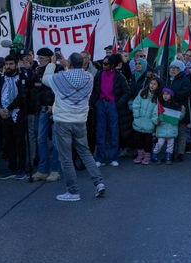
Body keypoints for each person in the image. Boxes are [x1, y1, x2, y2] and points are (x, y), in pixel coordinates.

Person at [42, 52, 105, 201]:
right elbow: (73, 75)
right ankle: (99, 183)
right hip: (80, 121)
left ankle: (73, 191)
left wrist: (52, 63)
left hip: (63, 121)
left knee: (66, 158)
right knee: (85, 153)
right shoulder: (89, 77)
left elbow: (45, 79)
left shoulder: (60, 77)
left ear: (69, 64)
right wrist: (67, 64)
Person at [90, 54, 131, 167]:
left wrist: (117, 104)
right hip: (100, 105)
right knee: (100, 132)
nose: (103, 65)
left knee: (114, 132)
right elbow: (93, 90)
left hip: (113, 105)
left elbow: (127, 92)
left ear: (112, 65)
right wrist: (95, 103)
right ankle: (100, 159)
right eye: (103, 63)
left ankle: (113, 158)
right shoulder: (98, 75)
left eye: (106, 63)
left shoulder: (120, 76)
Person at [31, 48, 63, 182]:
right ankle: (42, 170)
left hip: (55, 110)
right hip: (42, 109)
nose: (39, 60)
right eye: (38, 58)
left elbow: (61, 89)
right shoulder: (38, 70)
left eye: (42, 58)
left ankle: (55, 170)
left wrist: (54, 104)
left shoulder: (59, 69)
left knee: (56, 141)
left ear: (50, 58)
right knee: (41, 140)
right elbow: (34, 87)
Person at [0, 55, 30, 180]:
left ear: (16, 65)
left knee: (19, 141)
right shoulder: (1, 79)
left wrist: (9, 109)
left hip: (18, 114)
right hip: (4, 115)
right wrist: (0, 110)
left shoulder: (21, 78)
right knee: (8, 142)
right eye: (7, 64)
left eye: (11, 64)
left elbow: (22, 96)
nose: (8, 67)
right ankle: (11, 168)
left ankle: (21, 168)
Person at [152, 88, 186, 165]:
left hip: (172, 129)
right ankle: (154, 156)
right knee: (160, 144)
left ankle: (168, 158)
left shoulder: (175, 106)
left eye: (167, 94)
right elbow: (154, 115)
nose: (165, 96)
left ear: (171, 95)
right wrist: (156, 120)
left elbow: (179, 117)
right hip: (162, 129)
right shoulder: (159, 105)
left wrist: (182, 111)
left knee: (171, 144)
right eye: (164, 94)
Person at [132, 76, 161, 165]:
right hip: (139, 120)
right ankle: (140, 155)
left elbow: (157, 110)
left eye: (154, 84)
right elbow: (136, 104)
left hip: (149, 122)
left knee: (148, 140)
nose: (152, 86)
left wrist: (154, 119)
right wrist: (136, 114)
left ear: (158, 86)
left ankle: (147, 156)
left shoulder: (157, 98)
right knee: (138, 139)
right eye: (151, 83)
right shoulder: (142, 93)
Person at [167, 60, 191, 162]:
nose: (173, 69)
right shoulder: (167, 79)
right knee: (171, 132)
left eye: (175, 67)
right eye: (171, 67)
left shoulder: (184, 80)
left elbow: (186, 92)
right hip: (169, 108)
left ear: (180, 69)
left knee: (181, 131)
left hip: (180, 108)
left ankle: (180, 153)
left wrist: (173, 94)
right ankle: (170, 152)